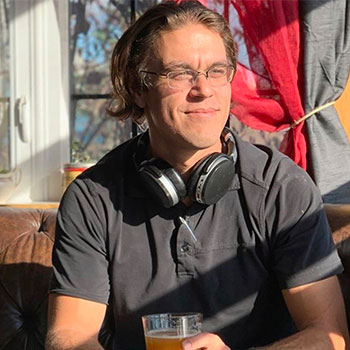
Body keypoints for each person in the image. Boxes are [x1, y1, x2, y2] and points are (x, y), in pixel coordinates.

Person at [45, 1, 349, 349]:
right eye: (180, 73)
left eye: (217, 71)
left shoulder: (283, 187)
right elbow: (70, 336)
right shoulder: (92, 197)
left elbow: (330, 337)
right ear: (137, 88)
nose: (204, 89)